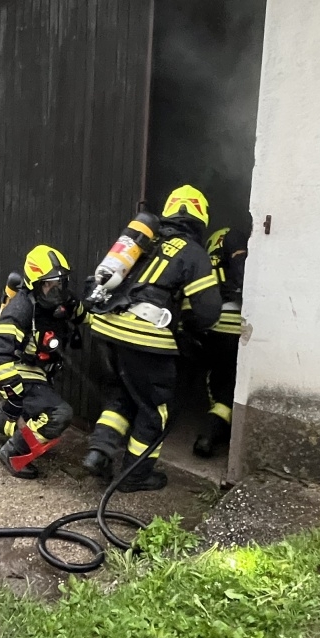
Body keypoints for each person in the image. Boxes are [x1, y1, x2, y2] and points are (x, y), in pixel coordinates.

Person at [83, 185, 221, 491]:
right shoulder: (194, 253)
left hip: (105, 328)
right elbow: (208, 312)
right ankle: (135, 476)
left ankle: (98, 453)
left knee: (121, 397)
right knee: (155, 409)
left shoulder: (145, 241)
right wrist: (186, 329)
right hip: (143, 338)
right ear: (201, 218)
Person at [0, 244, 85, 479]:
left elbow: (84, 315)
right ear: (35, 284)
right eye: (49, 284)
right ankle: (13, 453)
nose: (56, 290)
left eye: (60, 283)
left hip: (42, 371)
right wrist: (14, 394)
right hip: (19, 371)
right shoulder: (20, 309)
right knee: (59, 414)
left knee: (32, 420)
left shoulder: (62, 300)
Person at [193, 225, 247, 458]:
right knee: (230, 383)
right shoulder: (239, 243)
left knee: (217, 379)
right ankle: (212, 432)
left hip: (214, 322)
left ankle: (213, 429)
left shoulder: (209, 250)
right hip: (237, 323)